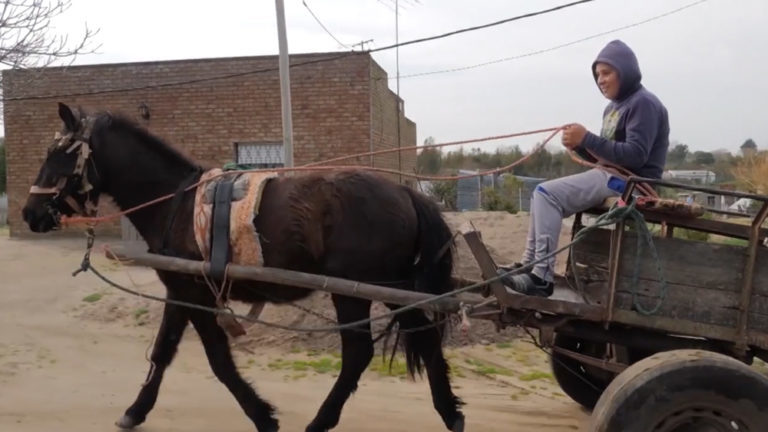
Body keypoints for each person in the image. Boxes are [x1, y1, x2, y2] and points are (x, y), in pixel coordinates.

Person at [498, 39, 670, 297]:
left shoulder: (642, 103)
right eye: (597, 74)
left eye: (607, 72)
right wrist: (579, 146)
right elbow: (607, 154)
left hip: (631, 184)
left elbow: (635, 155)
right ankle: (531, 264)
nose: (601, 80)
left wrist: (586, 138)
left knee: (547, 194)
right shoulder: (612, 108)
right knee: (540, 195)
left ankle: (541, 278)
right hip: (611, 176)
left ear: (625, 71)